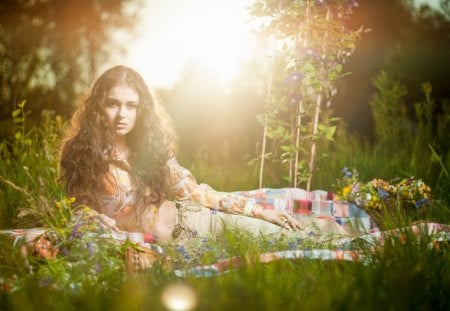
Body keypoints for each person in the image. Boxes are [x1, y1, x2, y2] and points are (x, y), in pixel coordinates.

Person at [59, 65, 348, 245]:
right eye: (113, 104)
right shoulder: (81, 154)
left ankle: (344, 232)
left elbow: (196, 193)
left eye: (131, 105)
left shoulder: (150, 150)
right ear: (98, 106)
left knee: (280, 232)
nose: (122, 114)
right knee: (278, 240)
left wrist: (258, 209)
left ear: (141, 109)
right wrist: (92, 220)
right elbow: (78, 208)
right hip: (169, 242)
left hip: (195, 222)